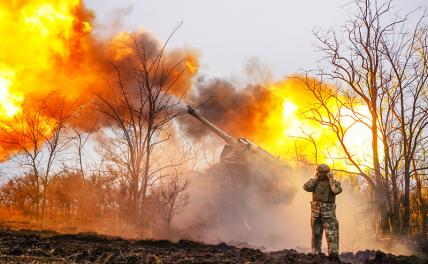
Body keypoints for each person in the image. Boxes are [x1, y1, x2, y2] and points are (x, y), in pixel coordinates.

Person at [303, 164, 342, 260]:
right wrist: (315, 179)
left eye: (323, 172)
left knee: (332, 234)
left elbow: (336, 190)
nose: (320, 174)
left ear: (328, 173)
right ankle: (316, 254)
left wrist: (331, 180)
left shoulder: (334, 183)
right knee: (316, 234)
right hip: (316, 213)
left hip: (329, 214)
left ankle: (333, 255)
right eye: (319, 172)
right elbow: (306, 187)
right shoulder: (314, 183)